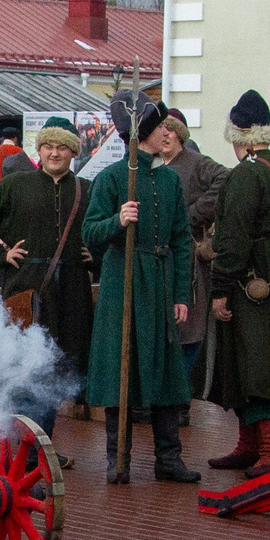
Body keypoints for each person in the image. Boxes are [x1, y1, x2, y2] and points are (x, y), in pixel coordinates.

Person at [85, 99, 197, 482]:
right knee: (123, 368)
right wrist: (117, 220)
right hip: (124, 282)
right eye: (162, 127)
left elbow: (183, 240)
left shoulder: (169, 181)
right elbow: (90, 232)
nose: (169, 133)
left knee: (166, 369)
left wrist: (181, 293)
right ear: (142, 134)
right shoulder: (113, 178)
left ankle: (168, 459)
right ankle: (119, 461)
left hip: (161, 284)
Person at [202, 89, 270, 473]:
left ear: (239, 132)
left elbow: (232, 237)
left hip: (251, 278)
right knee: (246, 361)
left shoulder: (245, 175)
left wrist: (219, 289)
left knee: (261, 364)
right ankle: (248, 445)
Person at [0, 117, 94, 439]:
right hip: (26, 288)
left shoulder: (87, 190)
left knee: (59, 369)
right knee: (25, 368)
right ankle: (29, 446)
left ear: (73, 153)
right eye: (48, 147)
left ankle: (41, 444)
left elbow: (102, 230)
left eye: (62, 148)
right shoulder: (15, 185)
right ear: (39, 150)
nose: (54, 154)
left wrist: (94, 254)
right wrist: (0, 255)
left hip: (71, 292)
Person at [158, 110, 227, 389]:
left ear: (180, 135)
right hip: (158, 258)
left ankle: (181, 397)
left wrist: (194, 213)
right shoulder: (150, 165)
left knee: (188, 329)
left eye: (170, 130)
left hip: (189, 262)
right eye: (159, 130)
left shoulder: (196, 163)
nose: (164, 135)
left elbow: (226, 180)